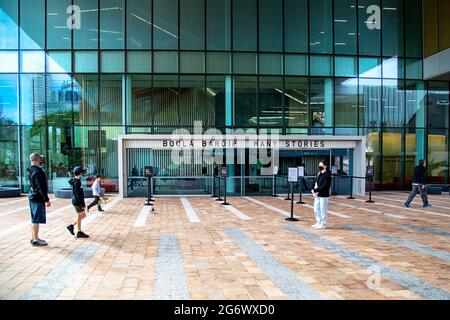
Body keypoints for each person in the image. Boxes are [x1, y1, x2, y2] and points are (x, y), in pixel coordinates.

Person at [27, 153, 51, 246]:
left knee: (34, 219)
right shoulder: (37, 172)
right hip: (37, 198)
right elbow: (41, 187)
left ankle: (34, 237)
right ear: (36, 159)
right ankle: (35, 240)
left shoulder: (30, 170)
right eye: (40, 159)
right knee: (36, 219)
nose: (41, 160)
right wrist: (46, 199)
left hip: (32, 196)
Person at [66, 166, 90, 238]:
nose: (83, 173)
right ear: (79, 173)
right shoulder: (77, 182)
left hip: (76, 201)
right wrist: (82, 204)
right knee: (81, 215)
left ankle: (73, 227)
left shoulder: (75, 181)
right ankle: (77, 230)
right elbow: (78, 195)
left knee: (82, 215)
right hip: (77, 202)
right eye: (82, 172)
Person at [311, 160, 332, 230]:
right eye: (319, 165)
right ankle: (318, 222)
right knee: (316, 209)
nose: (320, 167)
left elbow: (325, 185)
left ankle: (323, 224)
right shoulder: (319, 173)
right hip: (317, 194)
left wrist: (315, 190)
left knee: (323, 210)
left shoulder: (328, 175)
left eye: (321, 166)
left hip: (323, 195)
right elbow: (315, 181)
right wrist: (313, 189)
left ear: (325, 166)